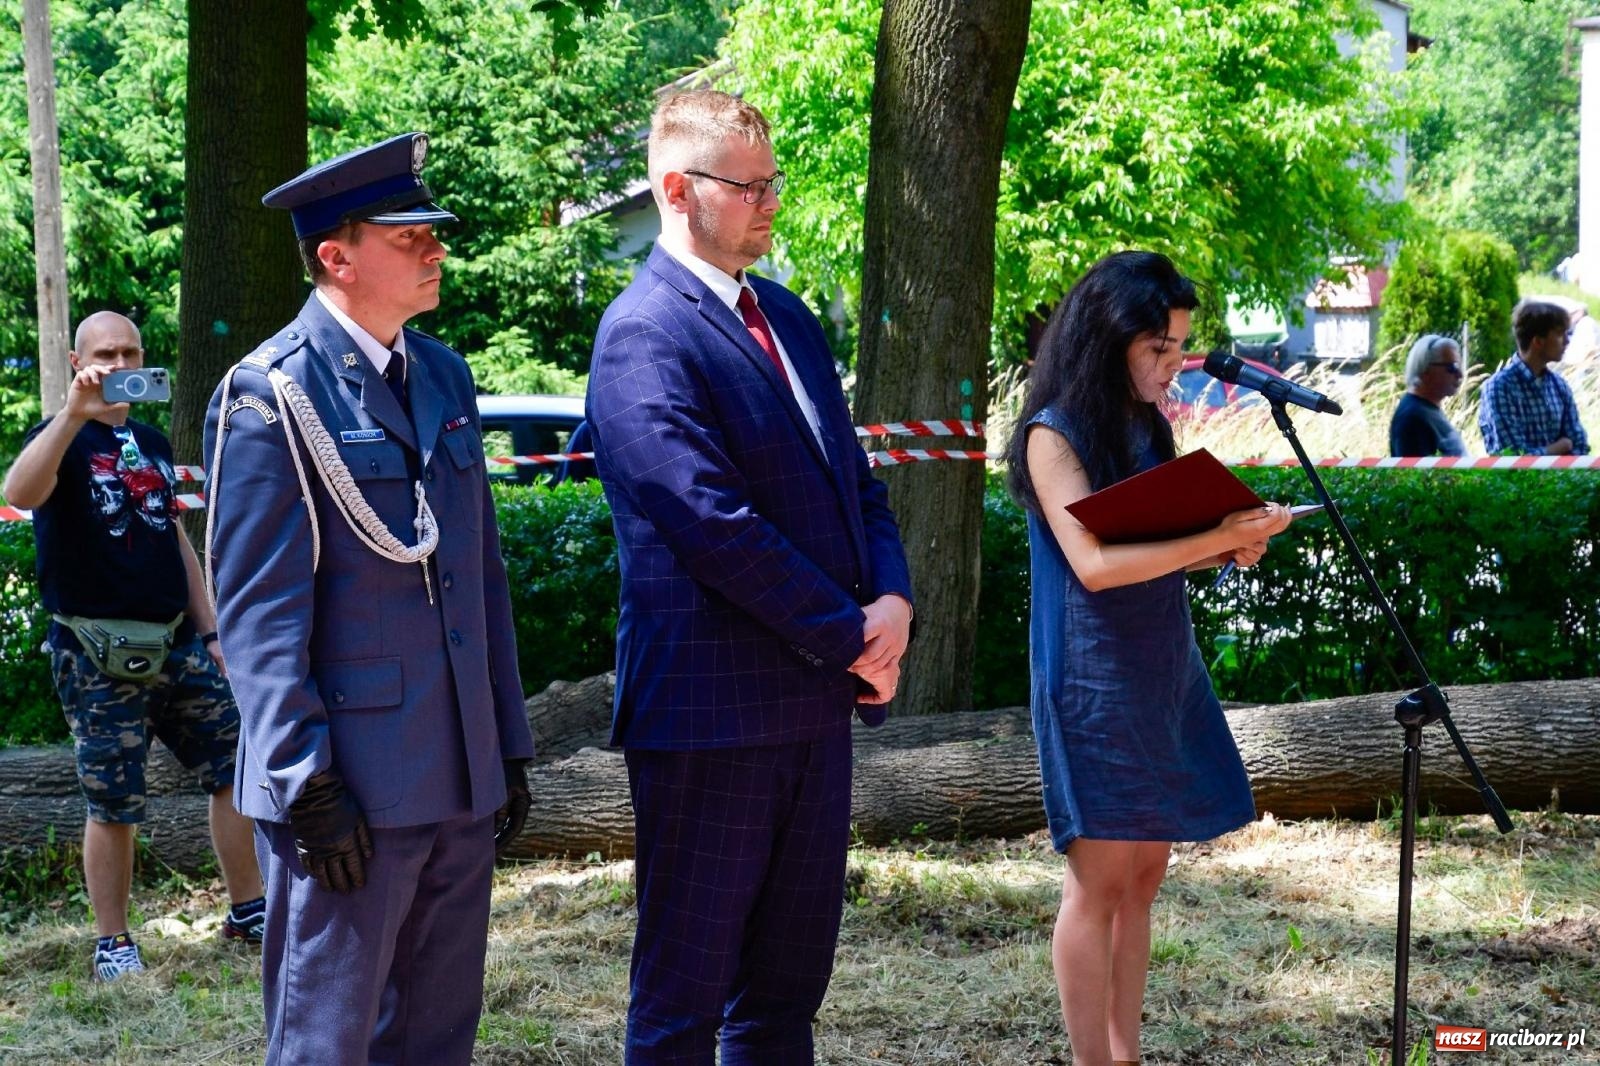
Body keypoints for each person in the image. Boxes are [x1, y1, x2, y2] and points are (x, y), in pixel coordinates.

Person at [586, 89, 914, 1065]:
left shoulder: (787, 316)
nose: (770, 203)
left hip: (812, 712)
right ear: (678, 189)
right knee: (684, 1005)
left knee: (783, 1001)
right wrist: (852, 632)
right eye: (749, 186)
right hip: (711, 723)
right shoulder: (640, 334)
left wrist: (890, 595)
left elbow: (850, 479)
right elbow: (712, 527)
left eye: (775, 183)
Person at [201, 133, 534, 1065]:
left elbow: (481, 579)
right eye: (408, 233)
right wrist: (305, 782)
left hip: (455, 771)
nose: (435, 246)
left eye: (433, 230)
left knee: (436, 1038)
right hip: (348, 785)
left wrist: (504, 740)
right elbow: (260, 617)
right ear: (335, 256)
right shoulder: (270, 395)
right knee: (325, 1043)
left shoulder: (443, 374)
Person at [1003, 251, 1292, 1066]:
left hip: (1162, 667)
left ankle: (1127, 1054)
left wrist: (1229, 547)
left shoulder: (1144, 423)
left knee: (1143, 880)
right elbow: (1094, 565)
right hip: (1091, 677)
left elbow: (1157, 545)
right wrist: (1215, 537)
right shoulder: (1052, 433)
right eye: (1159, 349)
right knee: (1098, 883)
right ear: (1108, 336)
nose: (1174, 367)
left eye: (1180, 349)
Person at [1, 311, 264, 982]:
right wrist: (69, 414)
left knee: (237, 771)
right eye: (105, 353)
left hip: (175, 645)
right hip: (93, 652)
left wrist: (212, 633)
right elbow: (17, 492)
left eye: (130, 351)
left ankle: (248, 910)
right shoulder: (58, 437)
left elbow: (173, 539)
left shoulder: (147, 439)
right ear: (79, 359)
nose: (120, 362)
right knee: (114, 800)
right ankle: (114, 942)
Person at [1478, 301, 1590, 456]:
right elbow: (1511, 456)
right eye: (1559, 334)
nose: (1567, 341)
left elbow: (1580, 444)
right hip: (1518, 481)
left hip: (1562, 480)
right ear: (1538, 341)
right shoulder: (1499, 387)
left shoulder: (1560, 385)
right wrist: (1560, 447)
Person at [1389, 334, 1467, 457]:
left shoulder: (1426, 410)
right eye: (1452, 367)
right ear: (1425, 369)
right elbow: (1415, 474)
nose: (1460, 374)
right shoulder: (1412, 418)